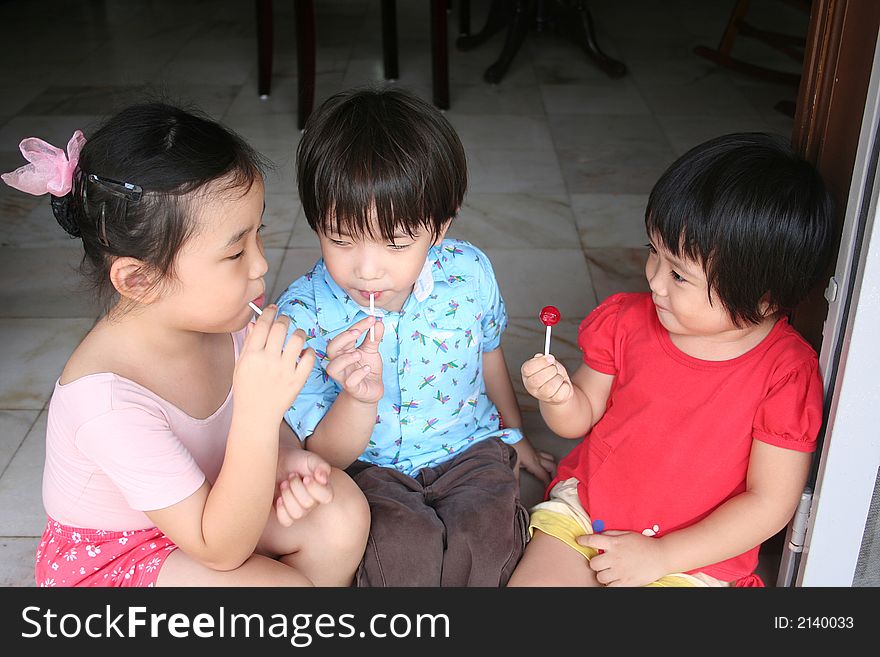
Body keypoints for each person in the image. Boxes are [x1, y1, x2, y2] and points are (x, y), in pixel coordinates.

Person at [1, 101, 369, 587]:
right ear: (139, 280)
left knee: (338, 510)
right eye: (235, 252)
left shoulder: (228, 320)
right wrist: (260, 417)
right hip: (119, 559)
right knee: (280, 591)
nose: (260, 266)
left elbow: (263, 440)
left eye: (259, 236)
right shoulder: (106, 402)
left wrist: (286, 454)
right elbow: (219, 549)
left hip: (210, 510)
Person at [508, 132, 835, 587]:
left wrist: (663, 555)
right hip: (588, 516)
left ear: (764, 298)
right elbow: (576, 421)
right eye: (653, 253)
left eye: (679, 274)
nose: (656, 282)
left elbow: (770, 503)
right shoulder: (626, 320)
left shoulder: (786, 373)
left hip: (693, 557)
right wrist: (558, 397)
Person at [275, 86, 555, 586]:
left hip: (470, 448)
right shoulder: (302, 315)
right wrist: (356, 399)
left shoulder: (469, 274)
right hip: (369, 470)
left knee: (486, 544)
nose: (366, 268)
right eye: (340, 237)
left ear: (439, 228)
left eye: (397, 243)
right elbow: (322, 454)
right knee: (401, 557)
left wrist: (516, 437)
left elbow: (489, 357)